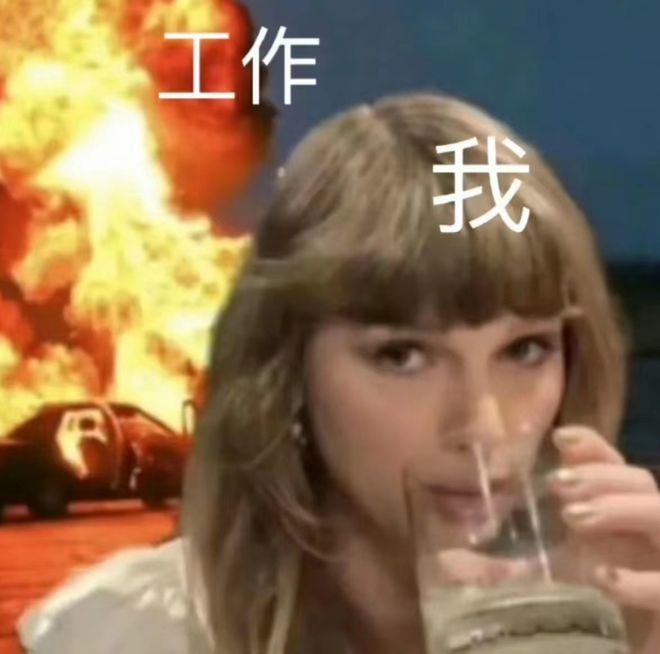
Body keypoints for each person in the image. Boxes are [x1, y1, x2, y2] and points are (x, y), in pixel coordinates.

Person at [18, 92, 660, 654]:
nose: (483, 425)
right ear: (287, 373)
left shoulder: (609, 609)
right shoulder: (136, 633)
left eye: (525, 350)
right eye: (402, 355)